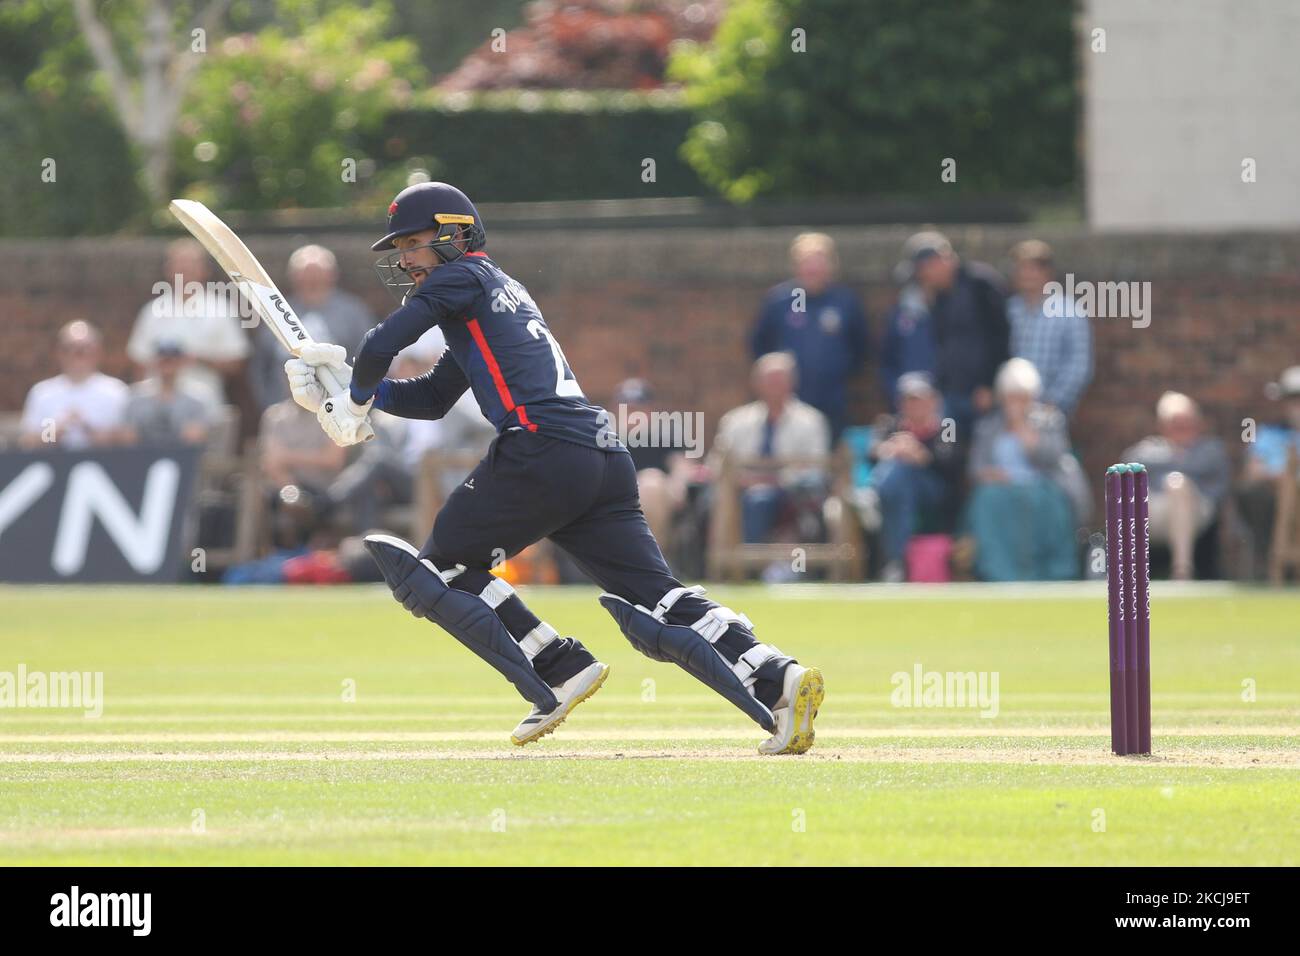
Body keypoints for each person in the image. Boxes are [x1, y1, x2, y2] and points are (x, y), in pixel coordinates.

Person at [283, 182, 823, 754]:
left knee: (439, 570)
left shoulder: (461, 276)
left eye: (414, 243)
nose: (406, 258)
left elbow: (380, 340)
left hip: (541, 447)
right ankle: (776, 677)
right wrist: (344, 392)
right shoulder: (494, 293)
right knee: (654, 595)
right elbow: (433, 397)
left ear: (455, 234)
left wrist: (354, 395)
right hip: (597, 454)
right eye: (402, 248)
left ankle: (558, 669)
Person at [965, 359, 1087, 581]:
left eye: (1022, 397)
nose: (1016, 404)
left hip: (1043, 486)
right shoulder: (988, 426)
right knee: (986, 500)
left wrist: (1022, 427)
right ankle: (998, 573)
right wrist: (992, 475)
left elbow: (1053, 458)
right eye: (1011, 397)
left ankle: (1053, 573)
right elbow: (976, 468)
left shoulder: (1049, 421)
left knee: (1045, 502)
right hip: (1001, 490)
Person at [751, 233, 869, 441]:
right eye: (807, 262)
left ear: (831, 265)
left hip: (832, 399)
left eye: (819, 262)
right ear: (796, 266)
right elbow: (760, 344)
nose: (813, 269)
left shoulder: (844, 302)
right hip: (789, 402)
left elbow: (861, 346)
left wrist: (838, 370)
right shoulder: (780, 301)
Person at [710, 352, 831, 548]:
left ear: (793, 382)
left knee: (760, 499)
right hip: (738, 492)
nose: (774, 385)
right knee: (709, 502)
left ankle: (750, 567)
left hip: (792, 495)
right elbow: (716, 464)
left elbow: (817, 470)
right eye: (769, 380)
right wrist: (740, 480)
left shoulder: (812, 421)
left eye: (780, 379)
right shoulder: (734, 421)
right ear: (756, 383)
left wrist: (775, 481)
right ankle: (716, 565)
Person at [893, 231, 1008, 435]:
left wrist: (989, 384)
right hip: (950, 394)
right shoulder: (938, 296)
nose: (922, 277)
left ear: (938, 261)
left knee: (981, 453)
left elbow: (1001, 337)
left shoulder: (981, 283)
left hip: (982, 394)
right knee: (950, 447)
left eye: (923, 270)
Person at [859, 373, 965, 583]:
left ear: (934, 401)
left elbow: (951, 463)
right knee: (899, 482)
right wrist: (892, 450)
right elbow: (871, 454)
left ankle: (873, 499)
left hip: (935, 491)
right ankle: (898, 561)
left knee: (900, 473)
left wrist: (919, 455)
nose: (914, 405)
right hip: (901, 491)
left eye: (920, 399)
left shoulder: (947, 427)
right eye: (909, 399)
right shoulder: (888, 424)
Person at [248, 244, 376, 411]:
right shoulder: (277, 312)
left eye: (318, 273)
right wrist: (269, 403)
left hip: (342, 408)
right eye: (305, 274)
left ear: (332, 275)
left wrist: (358, 403)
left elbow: (370, 358)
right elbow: (260, 364)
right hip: (286, 412)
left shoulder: (353, 312)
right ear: (293, 276)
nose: (312, 279)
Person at [1123, 391, 1230, 580]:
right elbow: (1127, 474)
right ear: (1162, 425)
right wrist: (1175, 455)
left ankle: (1182, 570)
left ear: (1197, 423)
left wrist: (1176, 464)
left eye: (1186, 422)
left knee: (1178, 485)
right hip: (1154, 513)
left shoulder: (1211, 450)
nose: (1182, 428)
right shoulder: (1144, 452)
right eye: (1175, 423)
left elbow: (1219, 488)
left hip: (1198, 511)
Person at [127, 238, 247, 406]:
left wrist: (197, 359)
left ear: (205, 270)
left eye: (191, 263)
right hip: (159, 410)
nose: (184, 269)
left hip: (205, 407)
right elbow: (138, 363)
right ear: (168, 269)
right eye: (179, 263)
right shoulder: (151, 310)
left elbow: (236, 363)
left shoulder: (221, 309)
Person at [1006, 240, 1093, 418]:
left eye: (1033, 269)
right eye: (1022, 268)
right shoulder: (1009, 311)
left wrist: (1053, 401)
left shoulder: (1069, 312)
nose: (1027, 275)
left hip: (1052, 409)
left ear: (1048, 273)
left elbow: (1078, 364)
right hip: (1010, 410)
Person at [19, 320, 128, 450]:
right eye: (69, 349)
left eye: (85, 349)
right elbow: (27, 441)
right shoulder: (43, 393)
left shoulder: (116, 391)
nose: (78, 354)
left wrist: (100, 434)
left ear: (98, 352)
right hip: (54, 464)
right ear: (59, 353)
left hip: (104, 464)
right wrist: (54, 432)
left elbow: (130, 437)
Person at [1236, 366, 1300, 574]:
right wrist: (1281, 479)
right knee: (1253, 492)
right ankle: (1269, 558)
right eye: (1294, 400)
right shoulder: (1268, 433)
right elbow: (1253, 470)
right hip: (1274, 501)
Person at [117, 341, 212, 446]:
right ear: (153, 362)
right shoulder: (136, 395)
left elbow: (198, 435)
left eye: (172, 361)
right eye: (164, 361)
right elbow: (127, 435)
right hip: (142, 456)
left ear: (183, 362)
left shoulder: (197, 396)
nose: (168, 366)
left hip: (183, 456)